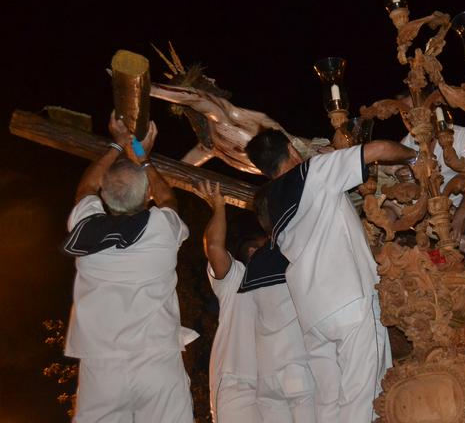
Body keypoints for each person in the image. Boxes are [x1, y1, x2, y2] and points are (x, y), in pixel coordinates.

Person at [246, 130, 417, 422]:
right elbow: (378, 148)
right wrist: (415, 155)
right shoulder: (313, 172)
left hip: (313, 314)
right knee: (364, 396)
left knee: (328, 403)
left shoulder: (272, 201)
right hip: (348, 301)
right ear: (291, 148)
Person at [61, 113, 196, 422]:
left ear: (104, 198)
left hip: (101, 367)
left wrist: (116, 145)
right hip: (156, 361)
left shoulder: (87, 234)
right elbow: (168, 199)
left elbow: (85, 189)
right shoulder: (161, 230)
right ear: (147, 196)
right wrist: (144, 159)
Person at [194, 180, 315, 423]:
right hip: (236, 383)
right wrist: (218, 207)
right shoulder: (234, 279)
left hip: (275, 384)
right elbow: (215, 247)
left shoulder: (286, 280)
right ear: (251, 252)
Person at [150, 82, 330, 174]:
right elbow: (177, 170)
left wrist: (147, 88)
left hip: (312, 156)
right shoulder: (211, 147)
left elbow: (195, 97)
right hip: (298, 175)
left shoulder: (229, 118)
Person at [396, 92, 465, 242]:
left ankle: (464, 224)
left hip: (456, 208)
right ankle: (464, 238)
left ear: (429, 108)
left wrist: (459, 218)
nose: (411, 117)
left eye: (415, 109)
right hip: (425, 212)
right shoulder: (405, 145)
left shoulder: (459, 135)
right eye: (405, 113)